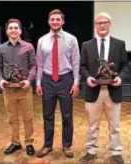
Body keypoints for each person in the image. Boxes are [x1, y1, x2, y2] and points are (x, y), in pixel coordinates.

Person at [79, 12, 129, 164]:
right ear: (95, 26)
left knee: (115, 125)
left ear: (109, 25)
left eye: (105, 22)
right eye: (99, 23)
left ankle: (116, 151)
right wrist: (87, 77)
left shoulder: (119, 44)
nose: (102, 25)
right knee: (92, 125)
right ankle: (91, 150)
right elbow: (82, 66)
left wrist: (120, 77)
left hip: (113, 91)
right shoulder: (86, 45)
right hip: (93, 91)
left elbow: (125, 65)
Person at [35, 9, 80, 158]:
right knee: (47, 115)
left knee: (67, 115)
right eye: (52, 19)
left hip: (65, 80)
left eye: (58, 19)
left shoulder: (71, 39)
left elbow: (76, 62)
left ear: (63, 21)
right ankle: (47, 145)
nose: (55, 22)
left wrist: (76, 83)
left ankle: (67, 145)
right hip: (47, 80)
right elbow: (39, 64)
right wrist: (38, 83)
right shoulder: (42, 40)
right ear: (49, 21)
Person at [0, 18, 36, 156]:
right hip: (8, 89)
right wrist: (0, 80)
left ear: (20, 30)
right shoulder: (1, 48)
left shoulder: (28, 47)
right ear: (7, 31)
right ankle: (15, 143)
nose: (13, 30)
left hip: (24, 89)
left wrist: (29, 80)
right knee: (12, 118)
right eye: (10, 28)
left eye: (16, 28)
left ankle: (29, 142)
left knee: (28, 118)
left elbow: (33, 66)